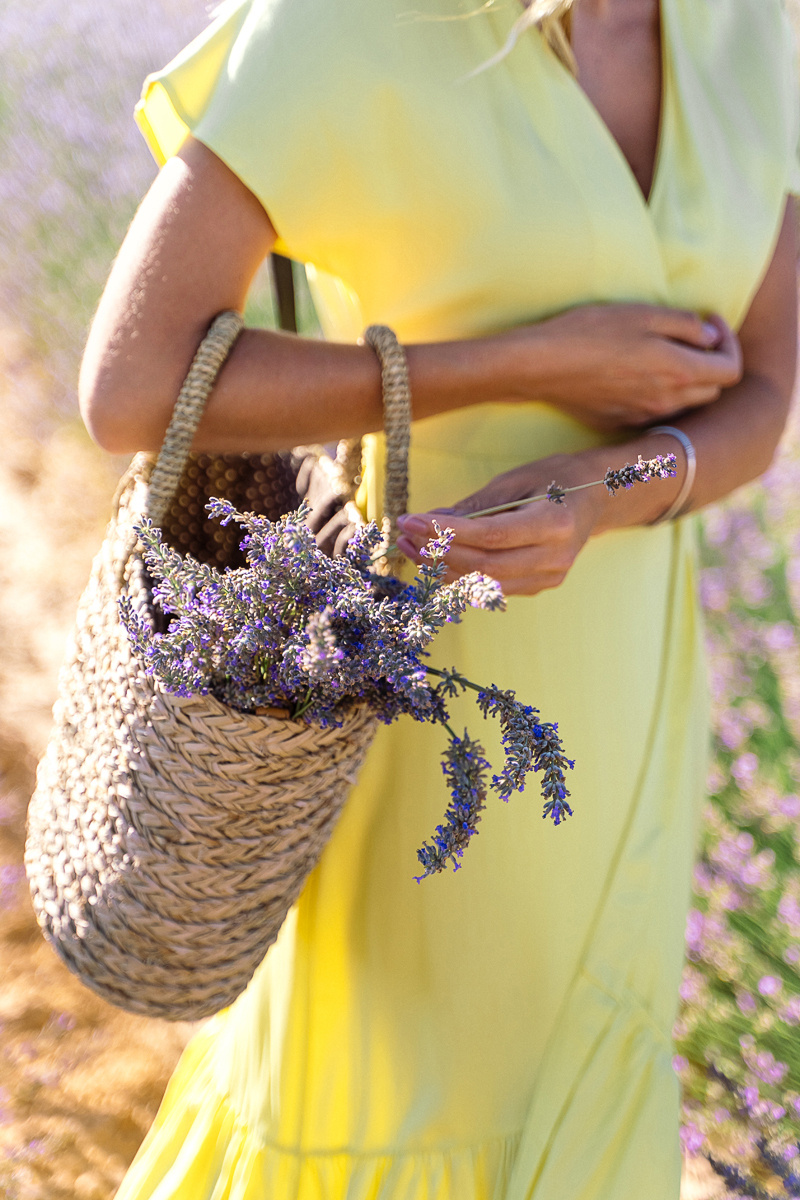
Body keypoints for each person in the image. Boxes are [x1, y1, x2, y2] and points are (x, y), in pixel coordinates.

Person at [80, 0, 799, 1196]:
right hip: (408, 688)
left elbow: (760, 391)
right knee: (389, 1104)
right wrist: (526, 363)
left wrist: (599, 491)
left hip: (626, 685)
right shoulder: (348, 25)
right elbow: (130, 385)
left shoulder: (749, 29)